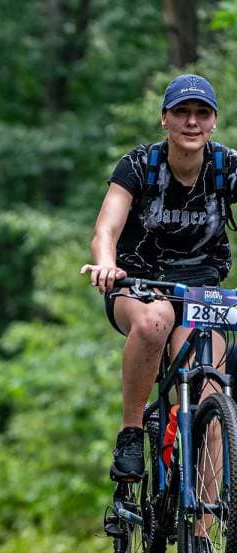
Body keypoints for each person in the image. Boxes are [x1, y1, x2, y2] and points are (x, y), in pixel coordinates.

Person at [81, 74, 236, 482]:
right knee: (155, 320)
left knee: (213, 403)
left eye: (202, 113)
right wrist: (106, 264)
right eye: (181, 112)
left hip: (201, 292)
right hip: (138, 284)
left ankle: (207, 523)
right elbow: (106, 230)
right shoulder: (139, 165)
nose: (192, 121)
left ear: (214, 121)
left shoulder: (226, 167)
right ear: (164, 118)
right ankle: (131, 432)